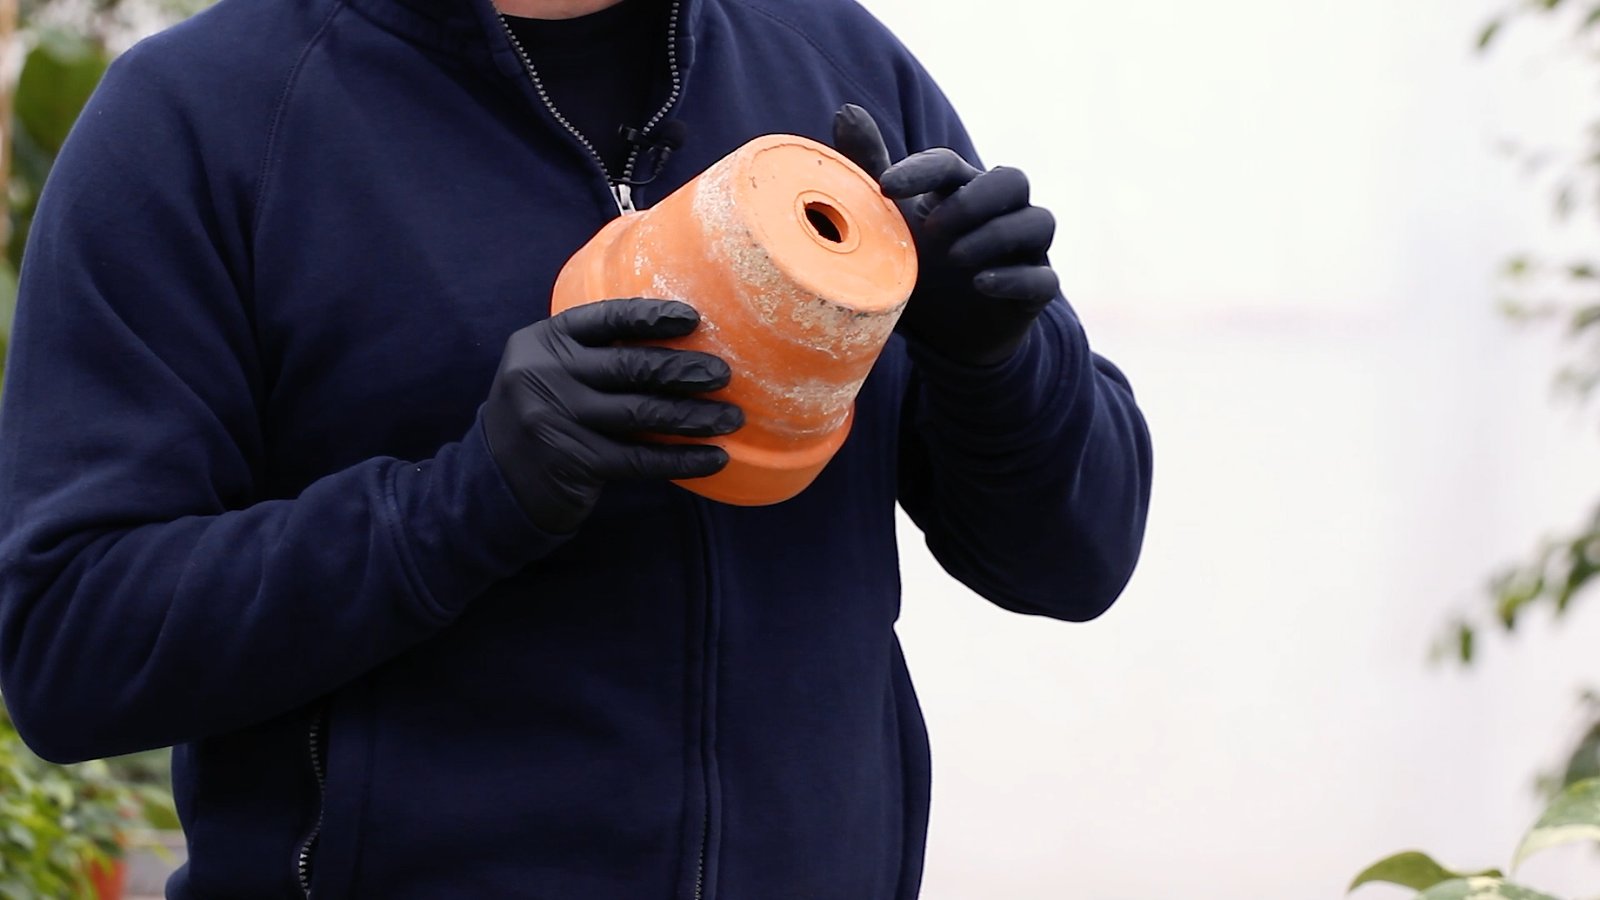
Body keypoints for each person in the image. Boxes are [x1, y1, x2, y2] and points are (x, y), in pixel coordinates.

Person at [0, 0, 1153, 895]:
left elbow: (1076, 556)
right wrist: (462, 506)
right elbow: (70, 643)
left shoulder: (838, 67)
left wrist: (995, 362)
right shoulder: (203, 117)